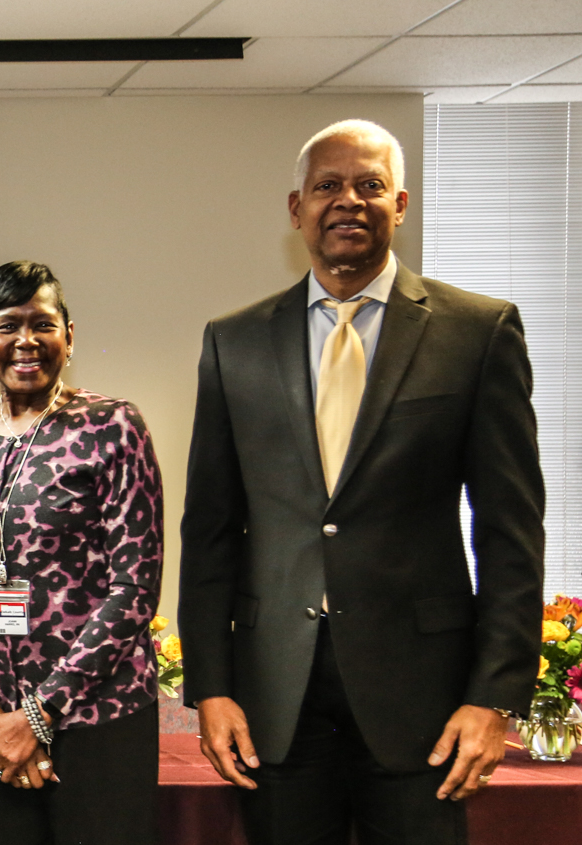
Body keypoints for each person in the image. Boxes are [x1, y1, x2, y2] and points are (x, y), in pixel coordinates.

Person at [179, 119, 545, 845]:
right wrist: (211, 687)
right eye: (328, 186)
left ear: (400, 204)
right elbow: (211, 530)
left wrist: (495, 696)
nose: (348, 200)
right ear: (297, 209)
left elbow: (510, 531)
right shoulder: (234, 341)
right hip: (276, 699)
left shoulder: (478, 331)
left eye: (369, 185)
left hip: (425, 703)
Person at [0, 261, 164, 845]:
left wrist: (38, 715)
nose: (26, 340)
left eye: (42, 324)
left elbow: (134, 588)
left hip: (98, 724)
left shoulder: (112, 428)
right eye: (7, 326)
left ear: (68, 337)